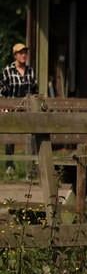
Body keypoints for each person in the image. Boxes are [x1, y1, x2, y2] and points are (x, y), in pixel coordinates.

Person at [1, 43, 38, 175]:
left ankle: (31, 167)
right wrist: (3, 106)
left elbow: (34, 90)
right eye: (21, 53)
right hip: (12, 108)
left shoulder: (30, 71)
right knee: (10, 137)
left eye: (25, 53)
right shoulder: (8, 70)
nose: (24, 55)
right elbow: (2, 90)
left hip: (27, 108)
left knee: (31, 136)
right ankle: (10, 166)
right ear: (15, 55)